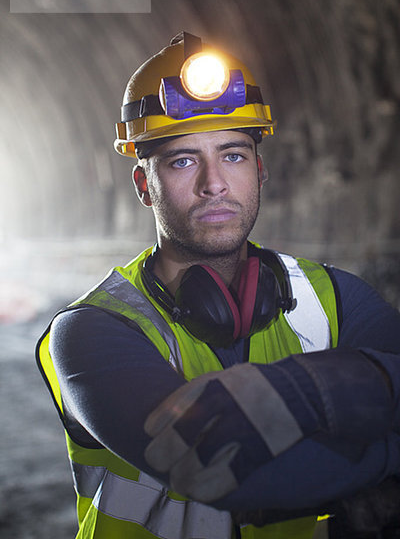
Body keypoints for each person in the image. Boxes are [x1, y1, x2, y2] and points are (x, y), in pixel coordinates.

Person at [36, 31, 400, 539]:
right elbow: (208, 464)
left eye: (233, 154)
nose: (214, 183)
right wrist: (365, 430)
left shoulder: (336, 298)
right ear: (145, 186)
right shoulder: (92, 331)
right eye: (183, 160)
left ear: (260, 168)